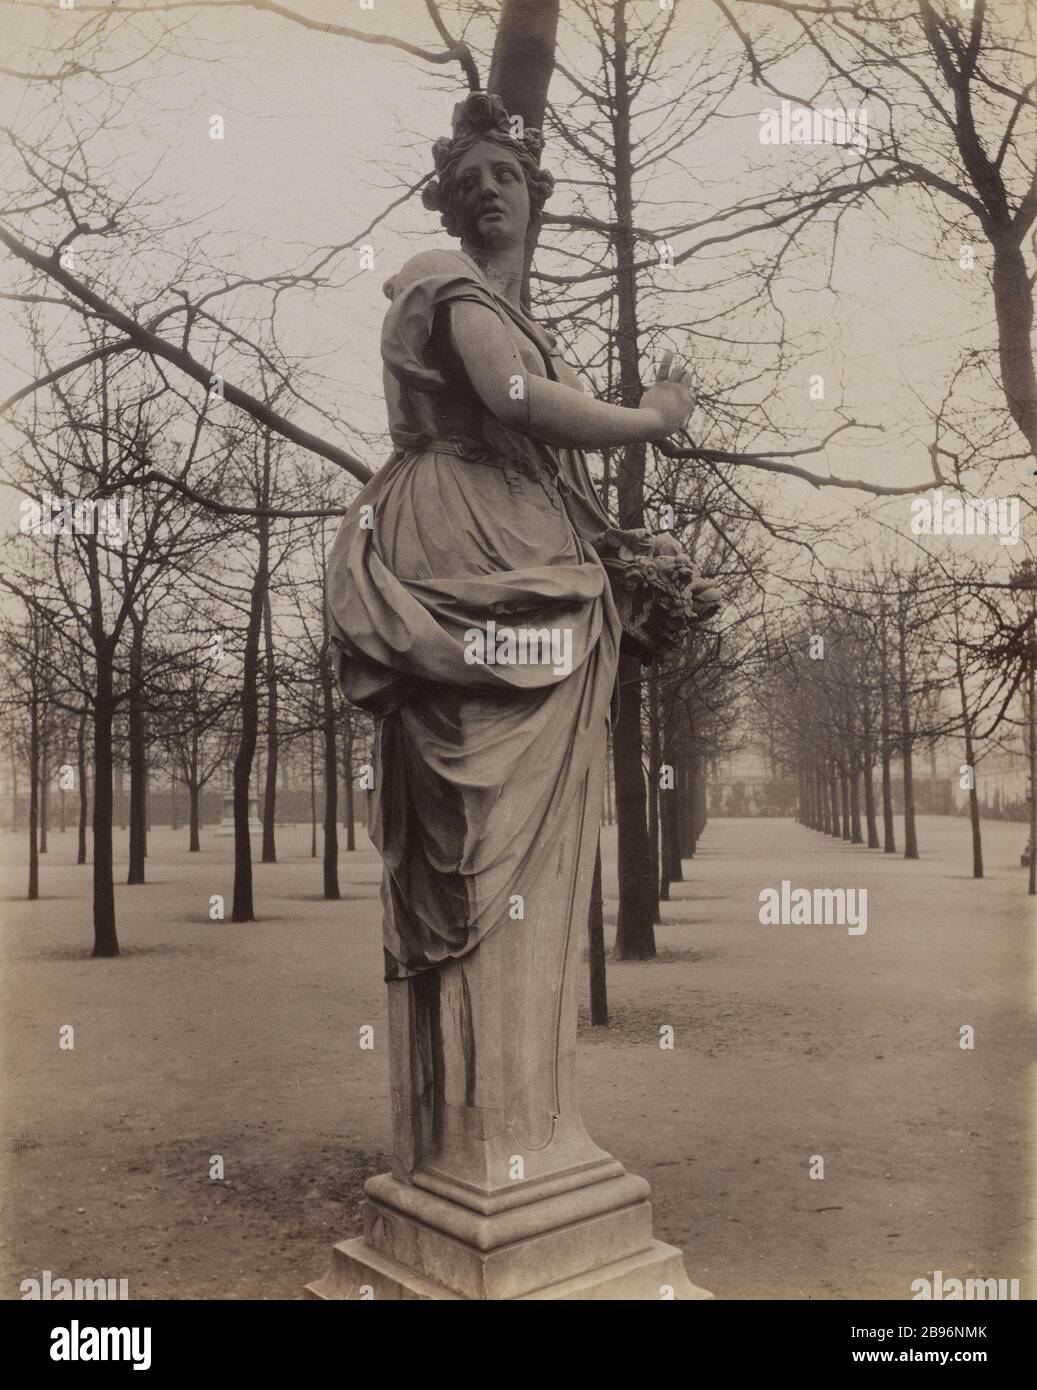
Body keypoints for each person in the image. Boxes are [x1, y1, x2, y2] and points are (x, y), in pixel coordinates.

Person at [325, 91, 696, 985]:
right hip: (457, 538)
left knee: (524, 829)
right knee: (467, 808)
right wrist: (650, 418)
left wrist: (622, 558)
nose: (486, 190)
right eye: (466, 181)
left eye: (505, 175)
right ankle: (470, 1106)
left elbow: (550, 459)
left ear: (535, 195)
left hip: (522, 543)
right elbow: (515, 401)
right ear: (447, 206)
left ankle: (524, 1101)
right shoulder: (441, 279)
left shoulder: (526, 325)